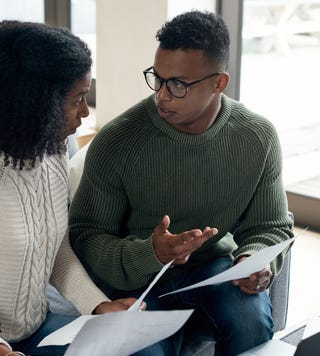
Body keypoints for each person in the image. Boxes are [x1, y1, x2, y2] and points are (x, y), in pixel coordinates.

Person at [69, 10, 294, 355]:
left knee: (249, 320)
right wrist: (151, 253)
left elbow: (271, 225)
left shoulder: (257, 137)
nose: (162, 95)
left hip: (215, 271)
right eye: (157, 79)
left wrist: (256, 261)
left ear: (219, 82)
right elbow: (86, 236)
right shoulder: (117, 141)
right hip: (139, 286)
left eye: (177, 85)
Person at [0, 20, 166, 356]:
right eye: (77, 99)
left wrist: (99, 307)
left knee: (145, 349)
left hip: (35, 330)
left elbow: (57, 249)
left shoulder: (53, 152)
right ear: (36, 102)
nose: (85, 113)